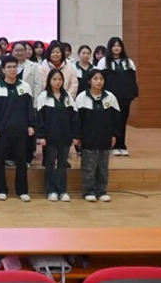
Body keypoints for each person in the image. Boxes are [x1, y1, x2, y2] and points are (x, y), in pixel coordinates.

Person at [0, 55, 36, 202]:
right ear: (3, 70)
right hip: (2, 130)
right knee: (0, 161)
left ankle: (22, 190)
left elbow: (29, 109)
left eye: (15, 67)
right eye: (9, 67)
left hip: (21, 130)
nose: (12, 70)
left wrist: (31, 125)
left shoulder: (25, 87)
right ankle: (1, 189)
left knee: (21, 161)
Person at [36, 69, 80, 203]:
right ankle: (51, 190)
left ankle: (62, 190)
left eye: (60, 79)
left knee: (62, 165)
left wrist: (75, 135)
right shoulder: (43, 97)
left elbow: (74, 118)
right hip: (49, 138)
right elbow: (40, 118)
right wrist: (41, 136)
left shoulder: (68, 97)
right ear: (49, 81)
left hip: (65, 137)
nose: (57, 82)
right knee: (50, 164)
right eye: (54, 79)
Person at [76, 69, 120, 202]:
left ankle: (101, 191)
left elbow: (116, 119)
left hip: (105, 138)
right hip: (88, 139)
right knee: (88, 167)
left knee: (103, 167)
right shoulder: (81, 97)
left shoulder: (110, 97)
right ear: (89, 81)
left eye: (101, 79)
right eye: (95, 79)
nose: (99, 81)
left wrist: (114, 134)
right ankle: (88, 191)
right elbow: (76, 120)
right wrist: (77, 136)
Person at [96, 37, 139, 156]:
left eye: (118, 46)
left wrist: (133, 93)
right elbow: (99, 79)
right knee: (111, 121)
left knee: (122, 121)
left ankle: (121, 145)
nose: (116, 48)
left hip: (125, 98)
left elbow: (132, 80)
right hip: (109, 98)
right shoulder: (103, 62)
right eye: (114, 46)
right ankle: (111, 146)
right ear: (110, 48)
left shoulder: (129, 62)